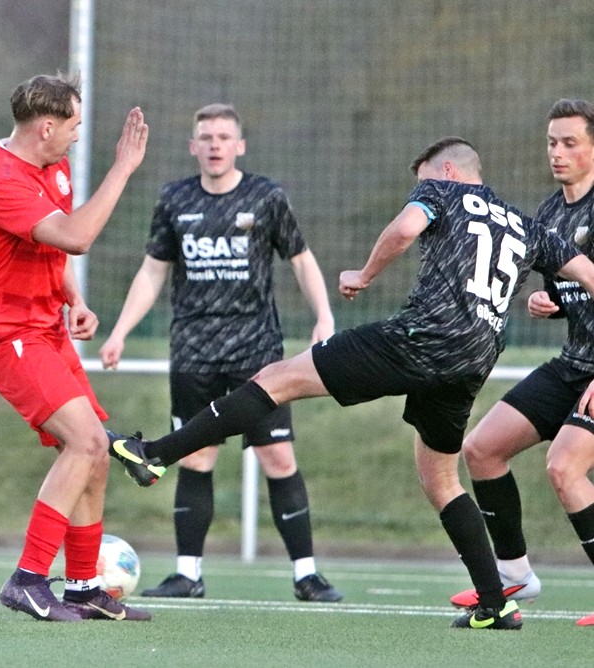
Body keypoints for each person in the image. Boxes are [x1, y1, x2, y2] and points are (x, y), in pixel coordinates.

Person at [109, 136, 594, 630]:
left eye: (422, 180)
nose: (418, 189)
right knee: (440, 477)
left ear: (448, 171)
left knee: (276, 379)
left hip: (422, 337)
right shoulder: (526, 225)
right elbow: (589, 273)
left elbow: (405, 229)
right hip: (475, 356)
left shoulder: (442, 191)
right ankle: (496, 604)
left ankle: (155, 455)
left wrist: (364, 274)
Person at [99, 103, 341, 602]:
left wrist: (324, 316)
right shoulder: (174, 199)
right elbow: (152, 271)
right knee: (195, 456)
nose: (215, 145)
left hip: (257, 352)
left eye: (224, 137)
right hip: (193, 352)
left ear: (239, 145)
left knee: (277, 456)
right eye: (206, 137)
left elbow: (300, 259)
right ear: (193, 146)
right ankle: (187, 574)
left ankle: (307, 575)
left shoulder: (266, 196)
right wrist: (120, 331)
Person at [0, 73, 152, 622]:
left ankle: (84, 587)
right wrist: (122, 168)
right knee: (88, 442)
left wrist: (74, 298)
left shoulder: (54, 167)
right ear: (46, 127)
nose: (76, 136)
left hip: (44, 326)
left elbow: (52, 246)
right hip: (5, 331)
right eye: (73, 126)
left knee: (94, 453)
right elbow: (76, 236)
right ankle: (26, 579)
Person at [447, 99, 594, 623]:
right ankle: (514, 575)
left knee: (564, 467)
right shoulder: (549, 215)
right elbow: (572, 292)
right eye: (552, 142)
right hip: (574, 362)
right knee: (482, 449)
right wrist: (547, 303)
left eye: (570, 142)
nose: (558, 152)